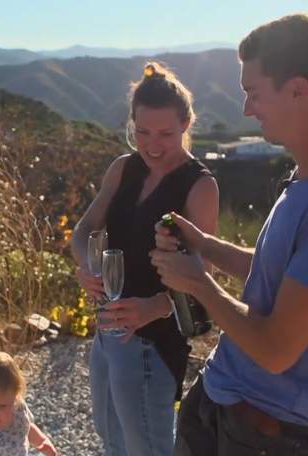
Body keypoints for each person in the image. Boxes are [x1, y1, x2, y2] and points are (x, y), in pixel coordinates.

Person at [150, 14, 308, 456]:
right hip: (227, 402)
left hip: (264, 432)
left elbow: (277, 349)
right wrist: (203, 244)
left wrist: (198, 284)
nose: (246, 109)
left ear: (298, 90)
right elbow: (277, 273)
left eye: (253, 93)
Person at [70, 61, 219, 455]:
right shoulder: (123, 169)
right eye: (143, 132)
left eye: (166, 133)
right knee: (112, 441)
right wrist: (86, 265)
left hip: (154, 341)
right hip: (107, 333)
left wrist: (156, 305)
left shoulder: (199, 186)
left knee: (149, 448)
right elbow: (84, 230)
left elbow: (207, 273)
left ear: (187, 124)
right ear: (131, 124)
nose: (153, 144)